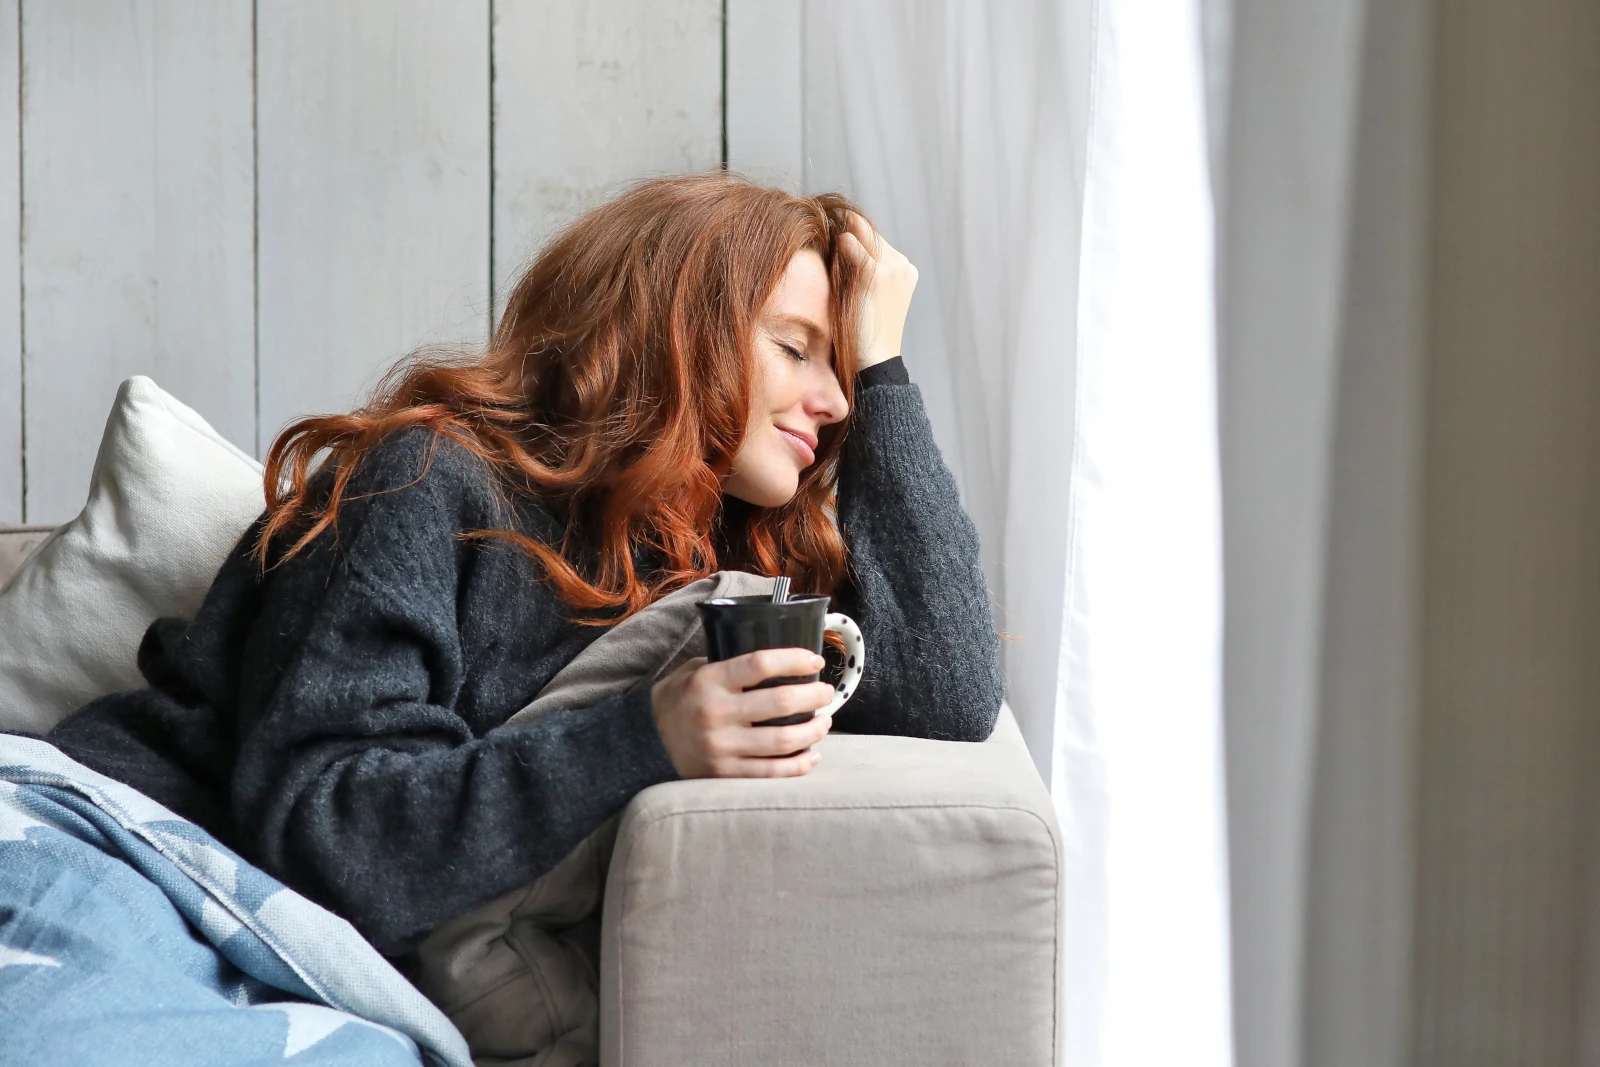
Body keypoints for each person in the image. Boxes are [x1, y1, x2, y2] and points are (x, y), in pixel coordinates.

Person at [47, 172, 1004, 958]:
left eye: (842, 368)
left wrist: (886, 370)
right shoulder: (427, 481)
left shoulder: (722, 566)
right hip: (120, 854)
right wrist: (643, 737)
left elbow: (946, 695)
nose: (832, 400)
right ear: (669, 331)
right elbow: (326, 833)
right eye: (797, 348)